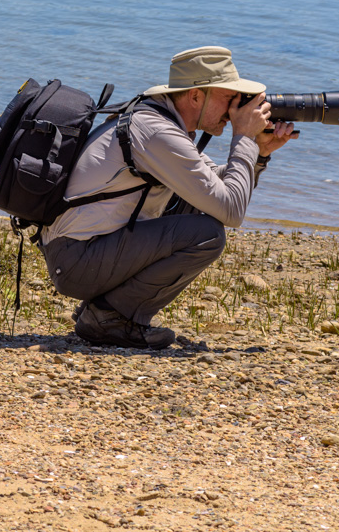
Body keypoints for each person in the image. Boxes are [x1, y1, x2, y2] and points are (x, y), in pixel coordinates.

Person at [39, 46, 298, 349]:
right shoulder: (157, 131)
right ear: (195, 96)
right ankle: (110, 319)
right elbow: (232, 211)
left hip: (82, 253)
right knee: (206, 235)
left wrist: (259, 153)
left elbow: (216, 186)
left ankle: (106, 308)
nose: (234, 111)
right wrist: (243, 137)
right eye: (229, 98)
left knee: (196, 205)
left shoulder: (160, 120)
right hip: (77, 262)